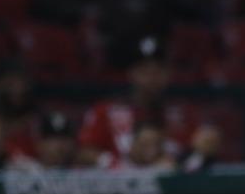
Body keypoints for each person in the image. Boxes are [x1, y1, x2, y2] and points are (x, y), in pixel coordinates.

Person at [78, 37, 198, 166]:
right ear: (131, 73)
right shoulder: (105, 111)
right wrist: (116, 164)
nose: (152, 78)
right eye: (144, 71)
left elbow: (197, 149)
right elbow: (84, 152)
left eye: (158, 71)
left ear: (168, 74)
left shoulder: (183, 113)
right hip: (118, 176)